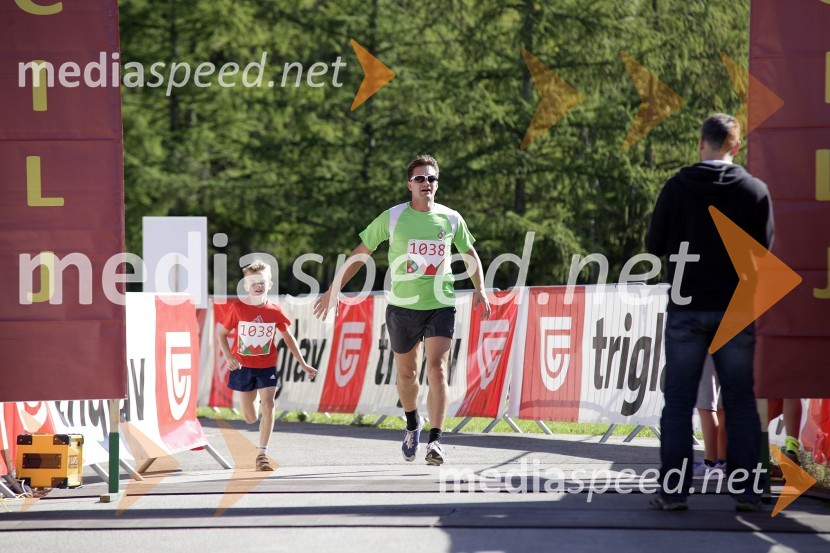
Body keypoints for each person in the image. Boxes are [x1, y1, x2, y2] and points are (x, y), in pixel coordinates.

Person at [313, 154, 491, 466]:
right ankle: (412, 423)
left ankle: (435, 441)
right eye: (420, 178)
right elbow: (361, 253)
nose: (426, 183)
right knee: (407, 375)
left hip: (441, 303)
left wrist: (481, 289)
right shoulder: (393, 217)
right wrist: (334, 288)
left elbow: (469, 252)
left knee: (437, 369)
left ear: (438, 184)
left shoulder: (450, 219)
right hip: (402, 307)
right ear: (409, 184)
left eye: (431, 178)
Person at [646, 114, 774, 511]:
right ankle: (748, 491)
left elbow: (654, 248)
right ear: (736, 147)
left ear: (701, 142)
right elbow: (764, 256)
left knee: (680, 401)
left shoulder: (677, 187)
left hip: (686, 307)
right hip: (735, 308)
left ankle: (672, 492)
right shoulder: (755, 190)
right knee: (739, 399)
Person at [217, 260, 318, 471]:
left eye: (261, 281)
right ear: (245, 286)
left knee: (269, 404)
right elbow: (222, 334)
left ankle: (262, 453)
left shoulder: (275, 311)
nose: (257, 285)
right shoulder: (238, 308)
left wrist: (303, 363)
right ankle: (253, 404)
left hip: (266, 366)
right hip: (242, 367)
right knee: (250, 418)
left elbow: (288, 338)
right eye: (252, 282)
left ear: (269, 284)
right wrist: (228, 357)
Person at [693, 356, 726, 481]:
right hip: (735, 344)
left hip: (710, 344)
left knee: (706, 404)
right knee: (722, 407)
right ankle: (723, 462)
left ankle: (710, 462)